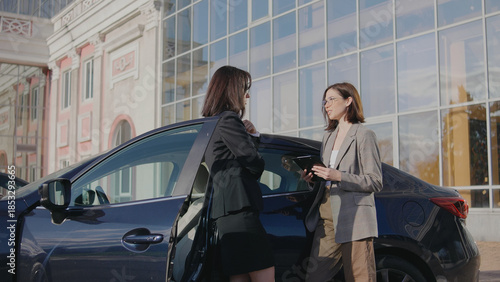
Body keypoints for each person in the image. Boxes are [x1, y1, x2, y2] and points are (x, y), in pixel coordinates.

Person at [302, 82, 383, 281]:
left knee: (360, 278)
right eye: (325, 101)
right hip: (327, 216)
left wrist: (338, 176)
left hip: (354, 218)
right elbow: (326, 176)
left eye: (332, 99)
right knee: (315, 277)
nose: (326, 105)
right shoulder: (328, 137)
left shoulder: (364, 135)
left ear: (348, 101)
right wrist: (312, 179)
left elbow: (375, 181)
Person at [201, 65, 275, 282]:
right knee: (265, 276)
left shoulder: (211, 124)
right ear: (232, 90)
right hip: (241, 213)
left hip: (226, 216)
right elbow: (254, 164)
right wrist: (252, 136)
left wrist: (250, 135)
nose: (248, 95)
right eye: (245, 89)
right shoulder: (228, 119)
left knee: (239, 278)